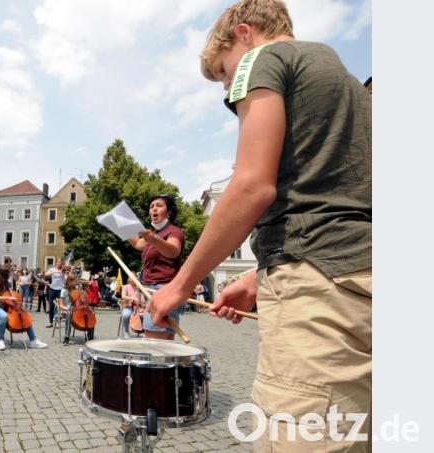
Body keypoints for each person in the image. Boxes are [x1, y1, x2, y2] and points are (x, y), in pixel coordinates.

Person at [150, 1, 372, 450]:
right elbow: (341, 203)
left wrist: (180, 285)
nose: (228, 87)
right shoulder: (350, 86)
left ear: (244, 34)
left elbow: (252, 185)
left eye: (225, 72)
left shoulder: (264, 59)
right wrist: (256, 276)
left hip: (319, 304)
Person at [127, 194, 185, 340]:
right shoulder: (154, 234)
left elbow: (173, 251)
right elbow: (138, 243)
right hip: (151, 290)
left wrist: (154, 239)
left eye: (159, 206)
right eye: (151, 206)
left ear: (169, 212)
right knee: (163, 341)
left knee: (154, 341)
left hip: (163, 290)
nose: (154, 209)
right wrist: (122, 225)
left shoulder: (173, 231)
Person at [0, 265, 48, 351]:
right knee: (3, 316)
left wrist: (15, 300)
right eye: (9, 274)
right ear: (4, 274)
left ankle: (33, 340)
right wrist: (8, 298)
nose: (10, 275)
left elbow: (11, 294)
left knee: (25, 316)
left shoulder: (6, 283)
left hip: (6, 306)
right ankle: (0, 340)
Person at [44, 258, 67, 327]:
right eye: (59, 262)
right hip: (52, 289)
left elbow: (66, 279)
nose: (60, 263)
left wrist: (65, 273)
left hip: (60, 290)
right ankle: (51, 323)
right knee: (51, 306)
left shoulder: (63, 270)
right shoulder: (52, 269)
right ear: (56, 263)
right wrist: (54, 272)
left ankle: (58, 323)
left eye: (61, 262)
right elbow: (46, 274)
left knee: (59, 306)